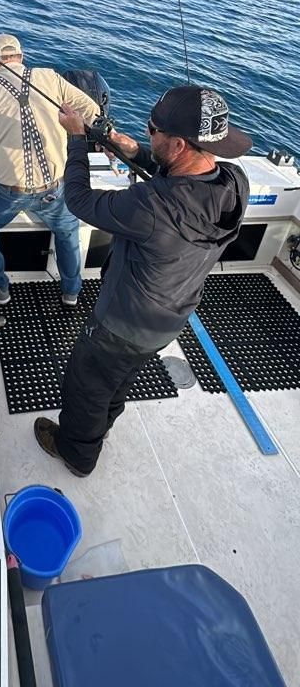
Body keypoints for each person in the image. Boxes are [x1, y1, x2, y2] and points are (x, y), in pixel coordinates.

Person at [34, 84, 252, 476]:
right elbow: (183, 180)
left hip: (120, 325)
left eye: (153, 130)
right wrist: (136, 151)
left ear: (181, 145)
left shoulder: (151, 205)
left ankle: (77, 454)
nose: (147, 131)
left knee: (85, 387)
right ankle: (102, 426)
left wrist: (77, 139)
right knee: (117, 381)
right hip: (168, 321)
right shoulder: (234, 183)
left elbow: (80, 200)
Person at [0, 34, 99, 306]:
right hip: (55, 186)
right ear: (21, 57)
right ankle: (72, 292)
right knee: (67, 232)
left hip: (8, 192)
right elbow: (91, 108)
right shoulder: (49, 77)